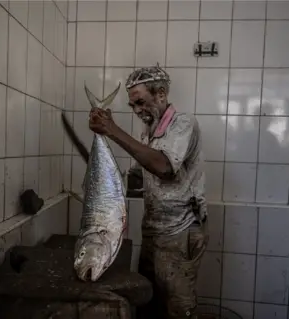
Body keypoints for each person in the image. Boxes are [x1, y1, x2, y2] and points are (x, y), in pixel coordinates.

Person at [88, 64, 208, 319]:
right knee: (148, 301)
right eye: (133, 106)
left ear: (161, 94)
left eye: (141, 102)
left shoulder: (184, 123)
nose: (138, 111)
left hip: (180, 232)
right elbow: (138, 175)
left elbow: (164, 167)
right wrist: (103, 184)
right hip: (153, 231)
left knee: (177, 308)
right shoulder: (149, 132)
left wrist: (113, 130)